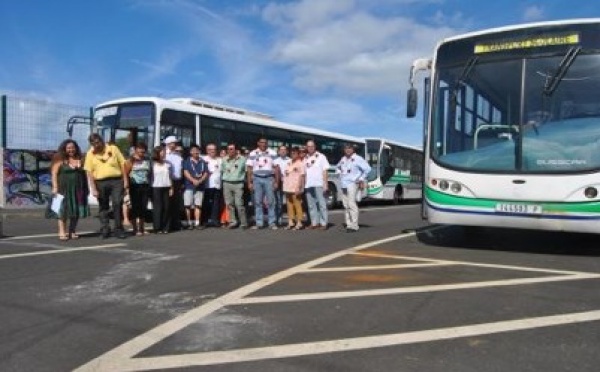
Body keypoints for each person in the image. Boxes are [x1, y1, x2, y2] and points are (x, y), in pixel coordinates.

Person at [84, 133, 129, 239]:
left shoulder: (113, 149)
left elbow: (123, 164)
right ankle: (105, 228)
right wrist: (93, 188)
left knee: (117, 203)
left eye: (98, 142)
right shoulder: (90, 153)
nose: (97, 145)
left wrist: (126, 180)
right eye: (94, 143)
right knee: (103, 206)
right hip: (100, 182)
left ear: (101, 140)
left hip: (116, 181)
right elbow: (89, 172)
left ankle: (118, 229)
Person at [51, 139, 90, 240]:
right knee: (61, 211)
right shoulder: (59, 158)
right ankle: (62, 232)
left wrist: (86, 188)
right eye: (68, 148)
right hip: (62, 189)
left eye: (73, 148)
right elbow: (54, 174)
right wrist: (55, 187)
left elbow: (85, 174)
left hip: (78, 189)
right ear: (64, 148)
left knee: (76, 211)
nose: (71, 150)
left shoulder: (80, 159)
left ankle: (72, 231)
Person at [336, 143, 372, 233]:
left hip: (352, 183)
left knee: (351, 203)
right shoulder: (343, 159)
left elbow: (368, 169)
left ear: (353, 150)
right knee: (345, 205)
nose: (347, 150)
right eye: (346, 148)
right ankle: (349, 224)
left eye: (349, 148)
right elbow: (338, 167)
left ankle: (354, 225)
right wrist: (339, 173)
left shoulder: (358, 159)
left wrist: (361, 178)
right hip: (344, 184)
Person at [246, 137, 279, 229]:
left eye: (265, 142)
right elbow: (249, 169)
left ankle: (272, 223)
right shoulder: (253, 153)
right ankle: (259, 223)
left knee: (271, 202)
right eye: (262, 142)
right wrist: (249, 182)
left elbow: (276, 168)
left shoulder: (272, 153)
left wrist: (276, 182)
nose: (264, 144)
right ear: (258, 143)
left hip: (269, 178)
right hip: (257, 179)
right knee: (258, 202)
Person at [124, 142, 151, 236]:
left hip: (145, 186)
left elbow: (149, 173)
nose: (141, 152)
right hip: (134, 186)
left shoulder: (147, 160)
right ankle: (135, 229)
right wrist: (126, 186)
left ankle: (142, 228)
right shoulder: (130, 161)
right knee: (135, 207)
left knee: (143, 207)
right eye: (140, 150)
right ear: (135, 150)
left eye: (143, 150)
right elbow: (125, 174)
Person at [304, 140, 330, 230]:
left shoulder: (321, 156)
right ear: (306, 147)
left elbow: (325, 170)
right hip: (308, 184)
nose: (310, 148)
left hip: (319, 183)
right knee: (311, 205)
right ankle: (314, 222)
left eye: (312, 146)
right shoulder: (306, 158)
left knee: (321, 204)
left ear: (315, 147)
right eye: (308, 146)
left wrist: (325, 184)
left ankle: (324, 223)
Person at [221, 143, 248, 229]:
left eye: (232, 149)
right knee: (229, 204)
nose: (230, 151)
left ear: (236, 150)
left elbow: (246, 171)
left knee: (239, 204)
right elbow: (222, 171)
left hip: (238, 183)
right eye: (228, 149)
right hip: (227, 183)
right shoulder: (224, 159)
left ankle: (243, 223)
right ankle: (233, 222)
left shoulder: (242, 159)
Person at [182, 144, 208, 229]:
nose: (196, 152)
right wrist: (193, 180)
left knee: (198, 205)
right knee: (188, 205)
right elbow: (185, 172)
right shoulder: (186, 161)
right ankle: (189, 223)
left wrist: (200, 181)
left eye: (197, 151)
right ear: (190, 152)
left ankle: (197, 223)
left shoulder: (203, 162)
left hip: (200, 186)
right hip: (189, 186)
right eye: (193, 150)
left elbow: (205, 173)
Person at [150, 146, 173, 234]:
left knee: (167, 207)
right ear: (157, 153)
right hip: (156, 187)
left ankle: (166, 227)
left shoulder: (168, 163)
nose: (163, 153)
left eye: (164, 152)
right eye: (161, 152)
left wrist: (171, 187)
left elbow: (170, 176)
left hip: (166, 186)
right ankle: (157, 227)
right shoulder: (152, 164)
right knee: (158, 208)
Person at [282, 146, 305, 230]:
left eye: (295, 153)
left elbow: (302, 176)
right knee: (289, 205)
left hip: (295, 187)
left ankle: (299, 222)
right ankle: (291, 222)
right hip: (287, 187)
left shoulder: (300, 164)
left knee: (297, 205)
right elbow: (285, 174)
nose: (293, 154)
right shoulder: (288, 162)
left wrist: (300, 187)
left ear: (298, 154)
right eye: (291, 153)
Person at [164, 136, 184, 231]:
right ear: (168, 144)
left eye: (175, 143)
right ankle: (168, 225)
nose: (175, 144)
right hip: (167, 181)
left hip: (177, 181)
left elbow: (180, 169)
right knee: (168, 204)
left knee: (176, 204)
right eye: (173, 143)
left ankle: (176, 224)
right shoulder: (164, 154)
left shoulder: (178, 155)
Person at [202, 143, 223, 227]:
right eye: (210, 150)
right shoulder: (203, 159)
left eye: (214, 149)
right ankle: (204, 220)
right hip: (207, 185)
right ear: (207, 151)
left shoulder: (220, 160)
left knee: (216, 203)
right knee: (206, 203)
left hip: (217, 185)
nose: (212, 151)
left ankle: (215, 220)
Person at [274, 145, 290, 226]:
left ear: (287, 151)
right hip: (279, 182)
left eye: (284, 150)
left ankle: (291, 220)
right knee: (279, 202)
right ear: (279, 151)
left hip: (288, 182)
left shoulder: (290, 160)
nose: (283, 151)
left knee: (289, 202)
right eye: (281, 150)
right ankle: (278, 219)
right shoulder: (275, 161)